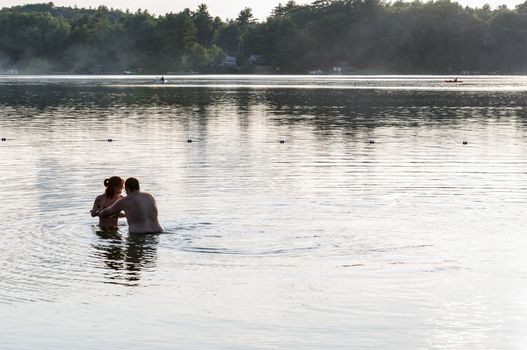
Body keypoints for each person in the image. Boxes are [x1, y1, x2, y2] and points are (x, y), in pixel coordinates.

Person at [96, 177, 163, 234]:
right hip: (158, 231)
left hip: (139, 234)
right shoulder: (149, 196)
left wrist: (98, 212)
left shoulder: (125, 200)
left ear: (127, 188)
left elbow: (106, 212)